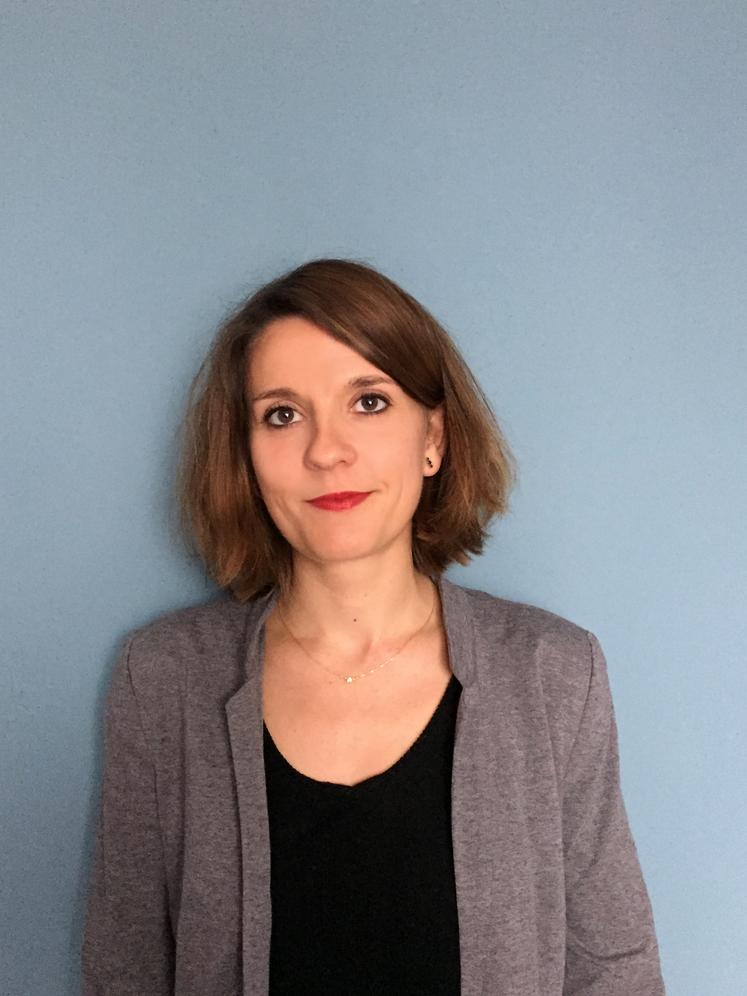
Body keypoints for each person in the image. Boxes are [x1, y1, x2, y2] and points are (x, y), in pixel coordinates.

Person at [81, 258, 666, 995]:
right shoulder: (163, 678)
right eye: (282, 415)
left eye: (368, 402)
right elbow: (124, 969)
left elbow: (614, 970)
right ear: (246, 457)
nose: (326, 451)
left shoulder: (552, 673)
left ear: (433, 438)